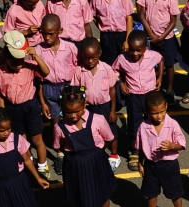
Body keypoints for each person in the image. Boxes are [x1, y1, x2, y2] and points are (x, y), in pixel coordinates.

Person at [53, 86, 117, 207]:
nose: (73, 115)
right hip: (75, 164)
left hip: (97, 160)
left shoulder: (98, 119)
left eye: (78, 111)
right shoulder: (59, 127)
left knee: (103, 192)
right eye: (68, 112)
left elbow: (108, 137)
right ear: (62, 109)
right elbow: (58, 145)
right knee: (79, 196)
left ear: (85, 105)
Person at [0, 31, 51, 179]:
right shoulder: (0, 71)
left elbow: (46, 72)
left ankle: (42, 165)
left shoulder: (29, 65)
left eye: (21, 60)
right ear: (6, 58)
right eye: (14, 62)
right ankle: (29, 163)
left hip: (30, 106)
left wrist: (35, 55)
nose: (19, 65)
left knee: (37, 138)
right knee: (22, 141)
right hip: (12, 109)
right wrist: (2, 112)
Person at [136, 91, 189, 207]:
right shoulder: (143, 127)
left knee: (175, 192)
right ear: (148, 111)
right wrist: (140, 162)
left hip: (170, 165)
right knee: (151, 193)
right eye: (155, 113)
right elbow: (141, 146)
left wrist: (172, 146)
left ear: (166, 106)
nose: (159, 116)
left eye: (162, 111)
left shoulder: (172, 124)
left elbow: (182, 144)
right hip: (151, 165)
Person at [112, 30, 164, 172]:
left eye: (138, 50)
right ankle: (135, 153)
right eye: (132, 50)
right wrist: (121, 83)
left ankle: (153, 148)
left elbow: (161, 59)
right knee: (134, 127)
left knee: (152, 123)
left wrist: (159, 77)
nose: (134, 53)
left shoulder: (152, 56)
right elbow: (114, 71)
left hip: (150, 96)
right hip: (133, 97)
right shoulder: (122, 58)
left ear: (145, 48)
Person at [35, 14, 79, 175]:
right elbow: (38, 80)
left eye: (51, 33)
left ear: (60, 31)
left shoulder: (70, 48)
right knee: (55, 121)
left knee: (73, 117)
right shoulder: (38, 50)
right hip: (49, 88)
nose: (47, 37)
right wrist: (42, 102)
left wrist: (78, 91)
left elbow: (77, 69)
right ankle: (60, 152)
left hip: (68, 87)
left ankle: (74, 145)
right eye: (44, 33)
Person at [72, 37, 120, 171]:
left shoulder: (106, 69)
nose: (90, 61)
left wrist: (112, 110)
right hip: (88, 108)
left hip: (105, 106)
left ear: (99, 54)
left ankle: (114, 155)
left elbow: (112, 89)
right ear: (82, 56)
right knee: (93, 132)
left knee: (111, 130)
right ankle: (98, 154)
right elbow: (77, 91)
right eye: (87, 58)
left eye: (93, 58)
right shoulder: (79, 71)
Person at [137, 0, 180, 105]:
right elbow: (141, 15)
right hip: (150, 36)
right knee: (151, 64)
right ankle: (154, 88)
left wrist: (160, 38)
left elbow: (173, 21)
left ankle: (169, 90)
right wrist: (152, 35)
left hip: (166, 37)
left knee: (169, 64)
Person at [90, 0, 134, 66]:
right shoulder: (95, 1)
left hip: (122, 35)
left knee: (126, 62)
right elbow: (92, 15)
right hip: (106, 36)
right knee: (108, 63)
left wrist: (127, 40)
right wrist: (101, 26)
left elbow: (129, 18)